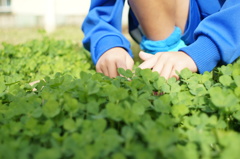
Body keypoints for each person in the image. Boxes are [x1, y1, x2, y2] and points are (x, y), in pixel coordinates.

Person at [82, 0, 240, 79]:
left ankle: (168, 64)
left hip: (227, 16)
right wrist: (108, 44)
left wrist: (206, 48)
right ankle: (165, 53)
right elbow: (102, 10)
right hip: (172, 23)